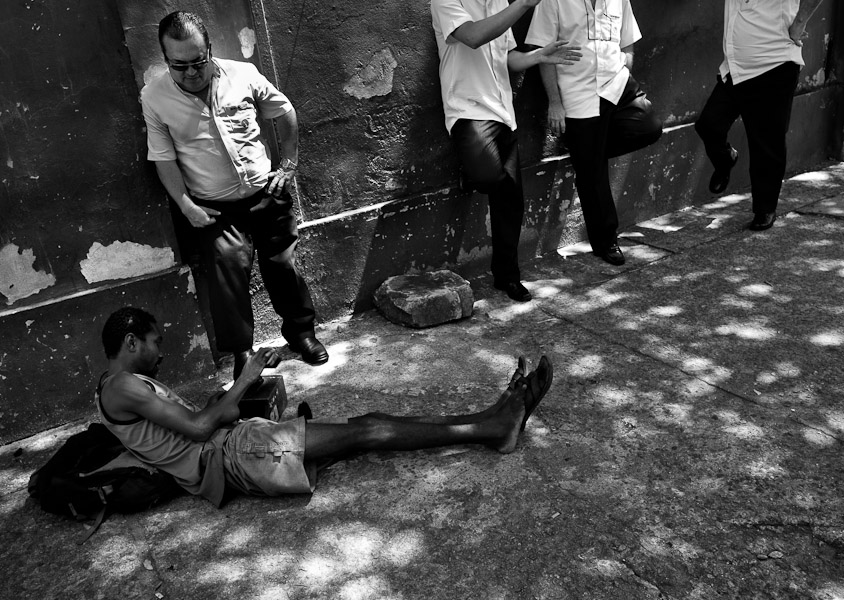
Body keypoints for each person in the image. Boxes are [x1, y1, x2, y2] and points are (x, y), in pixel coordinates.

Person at [96, 307, 553, 503]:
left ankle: (493, 420)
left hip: (235, 445)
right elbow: (198, 429)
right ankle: (495, 428)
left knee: (368, 427)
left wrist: (233, 397)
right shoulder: (122, 386)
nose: (161, 352)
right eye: (155, 343)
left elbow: (197, 423)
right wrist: (247, 380)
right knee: (368, 430)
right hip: (236, 454)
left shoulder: (121, 385)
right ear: (131, 341)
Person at [141, 11, 327, 378]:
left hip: (266, 193)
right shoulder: (155, 96)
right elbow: (162, 158)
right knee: (227, 274)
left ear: (209, 50)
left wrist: (288, 165)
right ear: (166, 60)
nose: (191, 73)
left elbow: (284, 110)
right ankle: (243, 354)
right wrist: (185, 205)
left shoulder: (242, 74)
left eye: (198, 62)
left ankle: (302, 333)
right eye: (180, 66)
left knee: (283, 265)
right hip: (214, 208)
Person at [430, 0, 582, 302]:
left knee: (511, 200)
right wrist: (523, 4)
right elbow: (473, 37)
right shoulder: (445, 1)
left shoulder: (499, 2)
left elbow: (508, 58)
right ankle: (473, 170)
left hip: (504, 112)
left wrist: (539, 55)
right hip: (468, 109)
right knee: (487, 177)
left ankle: (507, 276)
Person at [526, 0, 662, 266]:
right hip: (579, 93)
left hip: (618, 84)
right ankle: (606, 241)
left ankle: (586, 151)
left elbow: (627, 42)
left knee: (649, 125)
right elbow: (544, 53)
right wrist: (555, 102)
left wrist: (625, 66)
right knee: (592, 175)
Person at [694, 0, 825, 232]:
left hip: (774, 61)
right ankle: (725, 159)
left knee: (766, 141)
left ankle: (765, 208)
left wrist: (799, 23)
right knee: (709, 124)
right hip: (735, 66)